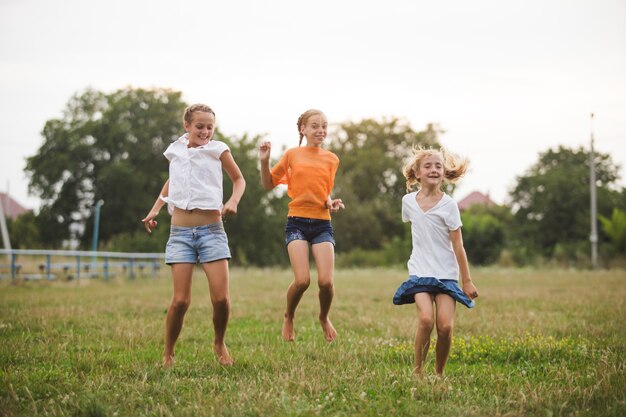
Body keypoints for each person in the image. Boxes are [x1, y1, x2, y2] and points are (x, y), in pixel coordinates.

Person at [142, 103, 245, 367]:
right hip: (180, 234)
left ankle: (219, 342)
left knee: (221, 298)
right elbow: (171, 181)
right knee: (180, 301)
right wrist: (155, 210)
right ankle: (168, 353)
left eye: (209, 127)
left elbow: (239, 179)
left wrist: (233, 201)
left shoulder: (217, 150)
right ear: (187, 125)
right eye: (199, 126)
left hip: (212, 231)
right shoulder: (175, 150)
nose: (205, 131)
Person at [259, 109, 345, 342]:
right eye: (315, 126)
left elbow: (323, 192)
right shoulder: (292, 155)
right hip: (296, 222)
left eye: (324, 126)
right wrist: (265, 160)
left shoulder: (332, 159)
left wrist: (331, 201)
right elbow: (268, 184)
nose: (321, 130)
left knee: (326, 282)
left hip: (322, 223)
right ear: (303, 130)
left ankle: (324, 317)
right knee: (303, 280)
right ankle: (289, 316)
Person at [393, 146, 478, 376]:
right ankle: (418, 371)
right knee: (426, 320)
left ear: (444, 173)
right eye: (428, 166)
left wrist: (467, 281)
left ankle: (439, 373)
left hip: (447, 274)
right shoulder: (408, 202)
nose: (433, 169)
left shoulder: (449, 205)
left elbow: (458, 245)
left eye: (438, 166)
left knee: (446, 326)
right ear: (417, 173)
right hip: (420, 272)